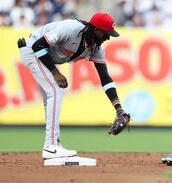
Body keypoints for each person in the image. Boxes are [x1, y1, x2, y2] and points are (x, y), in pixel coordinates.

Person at [17, 13, 129, 159]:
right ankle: (50, 146)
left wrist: (119, 109)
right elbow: (38, 45)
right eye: (106, 33)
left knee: (51, 97)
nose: (108, 38)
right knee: (55, 91)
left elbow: (105, 78)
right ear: (96, 29)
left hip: (43, 56)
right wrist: (56, 73)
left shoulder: (96, 48)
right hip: (32, 51)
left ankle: (54, 144)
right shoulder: (70, 29)